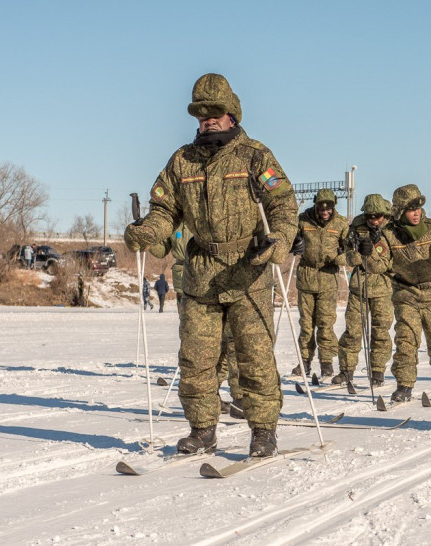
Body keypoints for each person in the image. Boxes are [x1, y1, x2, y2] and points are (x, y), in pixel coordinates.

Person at [123, 73, 298, 457]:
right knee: (197, 358)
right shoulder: (181, 161)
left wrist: (281, 239)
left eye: (215, 114)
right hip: (202, 272)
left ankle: (263, 431)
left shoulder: (255, 156)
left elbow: (283, 204)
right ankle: (202, 429)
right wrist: (147, 231)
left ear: (231, 114)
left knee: (254, 356)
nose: (208, 121)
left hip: (248, 270)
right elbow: (164, 210)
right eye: (202, 116)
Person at [364, 184, 431, 401]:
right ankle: (404, 385)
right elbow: (378, 266)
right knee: (406, 341)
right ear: (400, 211)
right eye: (411, 209)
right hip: (406, 294)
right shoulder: (389, 235)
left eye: (418, 207)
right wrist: (368, 253)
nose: (417, 213)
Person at [150, 226, 242, 418]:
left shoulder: (204, 217)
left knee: (230, 339)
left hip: (214, 279)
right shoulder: (175, 222)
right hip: (186, 286)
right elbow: (160, 249)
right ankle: (208, 396)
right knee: (198, 344)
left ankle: (239, 397)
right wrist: (148, 235)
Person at [335, 194, 394, 386]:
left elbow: (388, 263)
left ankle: (377, 371)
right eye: (370, 217)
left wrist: (374, 251)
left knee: (380, 332)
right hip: (359, 287)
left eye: (378, 217)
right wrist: (357, 254)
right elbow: (343, 256)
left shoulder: (392, 229)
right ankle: (346, 370)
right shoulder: (356, 226)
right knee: (352, 331)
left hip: (383, 288)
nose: (374, 221)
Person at [291, 189, 349, 379]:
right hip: (306, 278)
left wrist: (340, 257)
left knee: (326, 323)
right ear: (315, 205)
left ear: (334, 206)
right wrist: (294, 243)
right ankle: (304, 361)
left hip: (328, 279)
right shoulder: (303, 220)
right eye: (321, 208)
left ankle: (326, 362)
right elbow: (289, 239)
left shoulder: (341, 224)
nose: (324, 212)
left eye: (328, 208)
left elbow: (350, 251)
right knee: (306, 325)